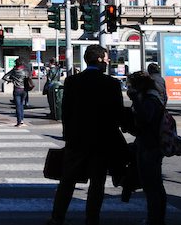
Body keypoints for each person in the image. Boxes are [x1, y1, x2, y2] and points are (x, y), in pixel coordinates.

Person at [48, 45, 124, 225]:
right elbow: (117, 114)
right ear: (99, 60)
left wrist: (68, 135)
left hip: (77, 140)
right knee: (97, 184)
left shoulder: (72, 81)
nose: (107, 62)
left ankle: (57, 218)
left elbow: (65, 112)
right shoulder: (111, 83)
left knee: (67, 181)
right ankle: (92, 220)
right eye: (106, 59)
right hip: (101, 141)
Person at [125, 71, 166, 225]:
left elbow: (144, 120)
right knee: (155, 185)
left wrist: (135, 100)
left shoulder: (149, 100)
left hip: (150, 145)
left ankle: (154, 219)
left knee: (151, 186)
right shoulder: (152, 98)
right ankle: (157, 217)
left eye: (132, 85)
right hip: (151, 144)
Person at [2, 58, 29, 126]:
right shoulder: (25, 71)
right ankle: (22, 120)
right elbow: (28, 78)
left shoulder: (14, 71)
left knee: (18, 106)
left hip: (17, 89)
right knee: (21, 105)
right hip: (24, 90)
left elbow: (4, 77)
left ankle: (19, 121)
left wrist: (11, 80)